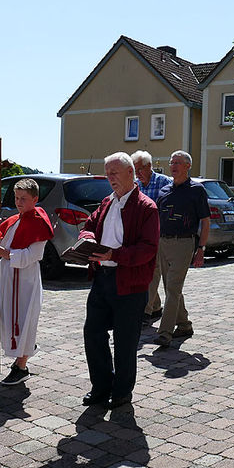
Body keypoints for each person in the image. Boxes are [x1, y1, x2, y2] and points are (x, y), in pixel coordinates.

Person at [80, 152, 159, 409]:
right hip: (102, 278)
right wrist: (86, 237)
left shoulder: (147, 207)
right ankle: (101, 387)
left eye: (114, 172)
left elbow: (148, 249)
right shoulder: (106, 202)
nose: (110, 177)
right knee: (93, 332)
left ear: (130, 173)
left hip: (130, 282)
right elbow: (89, 225)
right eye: (107, 173)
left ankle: (122, 391)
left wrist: (116, 254)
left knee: (125, 340)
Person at [0, 179, 55, 385]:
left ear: (35, 199)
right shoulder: (13, 220)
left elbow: (35, 254)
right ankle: (25, 353)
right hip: (6, 276)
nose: (19, 202)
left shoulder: (39, 221)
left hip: (24, 280)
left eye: (23, 199)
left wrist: (8, 254)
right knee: (5, 319)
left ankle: (21, 365)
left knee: (23, 320)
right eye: (16, 198)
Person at [153, 150, 210, 347]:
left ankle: (165, 332)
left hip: (184, 243)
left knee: (173, 288)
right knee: (170, 288)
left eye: (178, 162)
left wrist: (201, 248)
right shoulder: (164, 191)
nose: (173, 166)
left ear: (188, 166)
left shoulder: (197, 190)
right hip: (163, 242)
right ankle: (184, 325)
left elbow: (205, 221)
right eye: (171, 162)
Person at [133, 150, 171, 323]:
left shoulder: (165, 183)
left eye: (140, 169)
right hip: (140, 237)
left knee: (152, 272)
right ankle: (155, 307)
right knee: (145, 271)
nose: (138, 173)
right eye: (135, 170)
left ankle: (144, 311)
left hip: (159, 236)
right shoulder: (136, 186)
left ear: (149, 166)